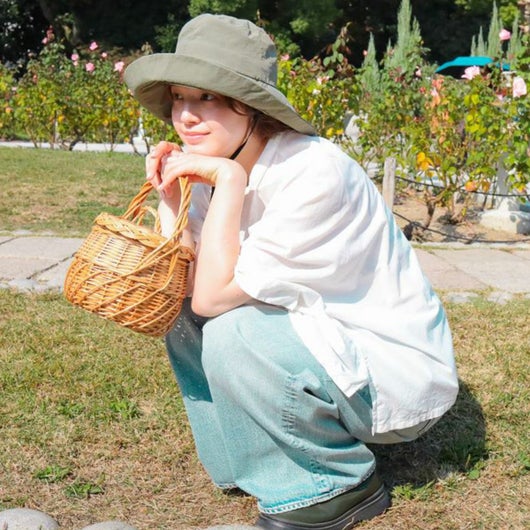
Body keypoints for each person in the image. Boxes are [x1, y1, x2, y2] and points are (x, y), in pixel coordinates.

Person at [124, 13, 459, 530]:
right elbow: (184, 289)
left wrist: (229, 182)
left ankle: (337, 485)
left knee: (232, 329)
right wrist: (173, 201)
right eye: (178, 98)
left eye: (207, 97)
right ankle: (250, 459)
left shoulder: (313, 172)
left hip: (387, 372)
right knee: (180, 315)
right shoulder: (216, 161)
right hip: (316, 342)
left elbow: (213, 300)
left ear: (251, 105)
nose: (185, 116)